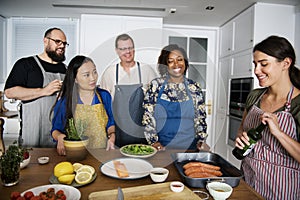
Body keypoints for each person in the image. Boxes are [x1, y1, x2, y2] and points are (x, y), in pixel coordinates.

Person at [234, 36, 300, 200]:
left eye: (264, 64)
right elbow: (242, 128)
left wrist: (278, 133)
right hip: (248, 179)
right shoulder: (255, 96)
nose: (256, 70)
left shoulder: (298, 104)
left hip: (281, 190)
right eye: (255, 64)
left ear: (285, 63)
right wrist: (240, 138)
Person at [4, 27, 68, 147]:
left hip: (59, 132)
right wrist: (44, 91)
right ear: (45, 41)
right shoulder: (26, 64)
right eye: (58, 41)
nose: (62, 46)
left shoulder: (65, 69)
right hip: (32, 131)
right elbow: (9, 92)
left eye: (64, 43)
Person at [142, 44, 207, 151]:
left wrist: (201, 141)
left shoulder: (194, 87)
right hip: (162, 146)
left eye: (180, 59)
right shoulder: (156, 86)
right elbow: (147, 117)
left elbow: (201, 118)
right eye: (170, 61)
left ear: (185, 62)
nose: (176, 64)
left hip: (190, 146)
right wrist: (154, 142)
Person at [100, 33, 157, 147]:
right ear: (117, 50)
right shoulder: (110, 73)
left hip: (143, 134)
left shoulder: (147, 70)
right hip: (118, 134)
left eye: (130, 48)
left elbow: (156, 103)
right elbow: (104, 107)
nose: (128, 52)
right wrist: (110, 134)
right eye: (123, 49)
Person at [51, 55, 116, 155]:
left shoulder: (104, 96)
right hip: (75, 154)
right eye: (86, 75)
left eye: (94, 72)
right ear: (75, 79)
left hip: (101, 153)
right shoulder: (66, 100)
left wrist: (112, 136)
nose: (93, 78)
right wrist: (60, 137)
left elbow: (110, 124)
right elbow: (55, 130)